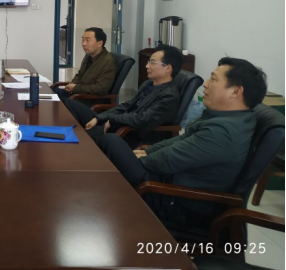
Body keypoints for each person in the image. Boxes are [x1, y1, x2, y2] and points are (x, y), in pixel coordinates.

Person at [97, 57, 267, 228]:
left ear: (235, 91)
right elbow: (179, 141)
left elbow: (168, 160)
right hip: (169, 183)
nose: (206, 84)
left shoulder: (223, 132)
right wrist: (147, 152)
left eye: (213, 79)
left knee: (111, 142)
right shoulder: (229, 118)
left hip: (177, 202)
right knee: (114, 151)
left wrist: (142, 159)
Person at [67, 44, 182, 144]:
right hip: (122, 125)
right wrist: (99, 118)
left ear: (168, 68)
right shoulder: (148, 84)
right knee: (73, 105)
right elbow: (128, 105)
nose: (147, 66)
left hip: (133, 135)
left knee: (83, 137)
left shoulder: (169, 95)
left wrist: (113, 120)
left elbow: (143, 119)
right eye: (149, 61)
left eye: (153, 62)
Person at [52, 27, 116, 104]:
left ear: (99, 43)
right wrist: (71, 85)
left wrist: (75, 88)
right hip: (78, 94)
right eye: (83, 40)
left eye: (87, 40)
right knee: (53, 91)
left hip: (89, 100)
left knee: (61, 102)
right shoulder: (89, 56)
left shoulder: (107, 61)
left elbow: (100, 89)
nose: (83, 44)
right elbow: (79, 75)